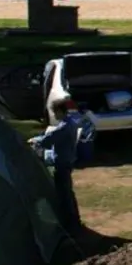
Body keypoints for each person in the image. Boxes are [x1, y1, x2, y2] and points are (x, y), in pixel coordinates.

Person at [30, 98, 82, 232]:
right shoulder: (71, 122)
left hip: (62, 163)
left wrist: (33, 140)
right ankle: (75, 220)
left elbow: (48, 139)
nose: (54, 115)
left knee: (64, 194)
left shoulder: (63, 127)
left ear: (59, 111)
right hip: (68, 161)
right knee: (68, 193)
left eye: (54, 112)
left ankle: (71, 224)